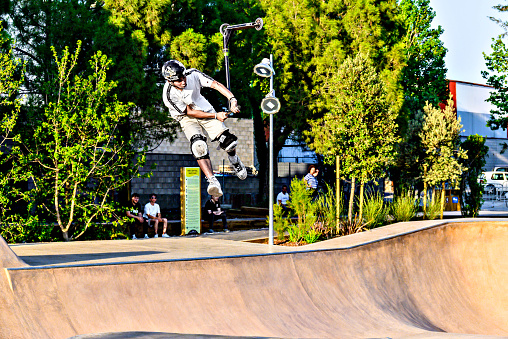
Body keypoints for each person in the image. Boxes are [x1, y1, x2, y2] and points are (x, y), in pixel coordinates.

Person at [161, 60, 247, 198]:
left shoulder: (193, 74)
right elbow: (189, 112)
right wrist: (215, 115)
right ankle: (212, 181)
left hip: (203, 108)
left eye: (183, 77)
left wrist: (232, 99)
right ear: (169, 81)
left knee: (229, 142)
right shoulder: (168, 94)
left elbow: (216, 85)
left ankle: (234, 159)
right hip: (186, 117)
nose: (183, 81)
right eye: (178, 80)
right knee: (198, 146)